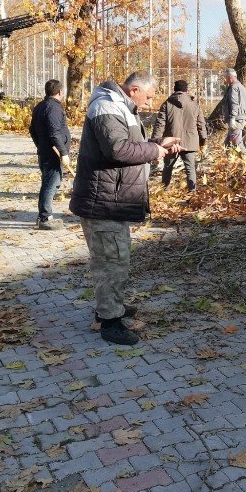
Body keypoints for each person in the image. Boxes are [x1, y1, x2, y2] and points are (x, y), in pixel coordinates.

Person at [69, 71, 181, 345]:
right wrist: (154, 152)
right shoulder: (108, 107)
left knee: (112, 260)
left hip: (111, 199)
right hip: (104, 203)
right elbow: (118, 150)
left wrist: (156, 143)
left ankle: (110, 307)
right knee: (112, 263)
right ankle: (110, 322)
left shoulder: (118, 106)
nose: (148, 103)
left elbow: (127, 144)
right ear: (133, 90)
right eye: (147, 97)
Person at [28, 79, 71, 230]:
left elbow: (32, 130)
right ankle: (45, 217)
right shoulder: (53, 108)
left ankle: (44, 216)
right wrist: (63, 152)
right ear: (60, 92)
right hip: (53, 154)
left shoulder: (40, 106)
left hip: (46, 151)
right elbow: (54, 133)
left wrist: (40, 145)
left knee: (51, 183)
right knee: (50, 184)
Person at [152, 79, 207, 191]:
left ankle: (163, 192)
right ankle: (192, 193)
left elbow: (159, 125)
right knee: (190, 168)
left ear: (175, 89)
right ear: (186, 90)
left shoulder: (167, 104)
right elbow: (201, 125)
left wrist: (155, 142)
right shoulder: (194, 105)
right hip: (190, 141)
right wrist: (203, 141)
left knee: (167, 167)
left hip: (171, 142)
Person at [221, 68, 246, 152]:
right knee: (227, 145)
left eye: (225, 78)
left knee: (236, 143)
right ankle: (229, 163)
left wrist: (233, 118)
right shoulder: (242, 87)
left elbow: (234, 103)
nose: (225, 80)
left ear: (230, 77)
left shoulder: (233, 88)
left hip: (236, 120)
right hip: (242, 118)